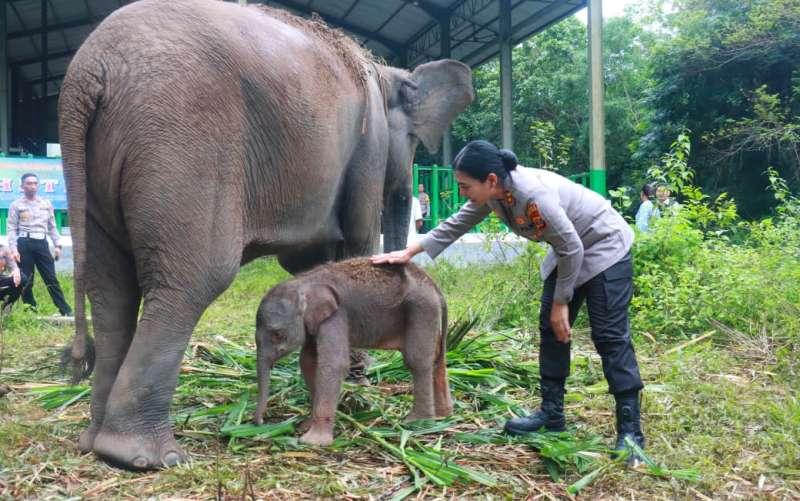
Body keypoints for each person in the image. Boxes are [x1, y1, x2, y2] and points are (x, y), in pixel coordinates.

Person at [371, 140, 645, 464]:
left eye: (464, 186)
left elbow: (572, 246)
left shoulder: (533, 196)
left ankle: (631, 434)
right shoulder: (496, 193)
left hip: (604, 247)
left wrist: (562, 303)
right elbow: (456, 224)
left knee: (609, 337)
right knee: (551, 331)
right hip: (569, 252)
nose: (462, 193)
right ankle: (552, 415)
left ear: (490, 180)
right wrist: (408, 252)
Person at [7, 173, 73, 316]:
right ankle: (31, 310)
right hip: (24, 244)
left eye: (35, 183)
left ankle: (65, 311)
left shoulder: (46, 203)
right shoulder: (16, 205)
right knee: (27, 280)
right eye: (29, 183)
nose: (32, 186)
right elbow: (11, 228)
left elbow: (52, 226)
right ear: (22, 186)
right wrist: (13, 249)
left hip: (42, 244)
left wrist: (58, 245)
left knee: (51, 278)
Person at [0, 244, 25, 313]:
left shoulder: (3, 249)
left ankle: (7, 306)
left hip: (1, 280)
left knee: (22, 279)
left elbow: (13, 266)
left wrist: (16, 272)